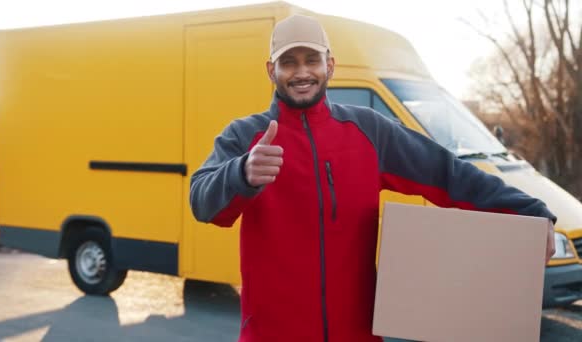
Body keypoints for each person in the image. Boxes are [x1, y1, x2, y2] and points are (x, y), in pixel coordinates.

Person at [189, 14, 556, 342]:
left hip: (358, 334)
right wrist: (241, 173)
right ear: (272, 71)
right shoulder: (245, 136)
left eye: (311, 60)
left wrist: (532, 211)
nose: (301, 72)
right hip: (271, 335)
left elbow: (449, 174)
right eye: (288, 62)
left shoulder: (369, 132)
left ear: (329, 65)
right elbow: (201, 201)